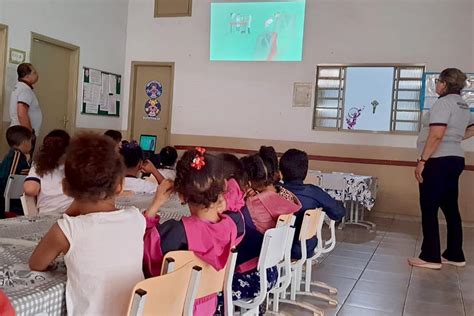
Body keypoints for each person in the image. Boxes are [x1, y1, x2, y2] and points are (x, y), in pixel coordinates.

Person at [29, 133, 145, 315]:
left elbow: (36, 263)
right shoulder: (136, 218)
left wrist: (70, 212)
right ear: (120, 186)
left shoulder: (67, 229)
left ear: (65, 187)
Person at [143, 147, 244, 315]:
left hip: (172, 307)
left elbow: (145, 257)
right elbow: (236, 201)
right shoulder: (234, 225)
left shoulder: (175, 232)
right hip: (207, 306)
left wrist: (155, 205)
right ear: (224, 186)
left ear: (181, 196)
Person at [409, 68, 474, 269]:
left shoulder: (443, 103)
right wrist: (456, 138)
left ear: (445, 84)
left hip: (437, 161)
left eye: (438, 81)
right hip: (455, 159)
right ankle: (455, 254)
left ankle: (430, 256)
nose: (436, 84)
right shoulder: (463, 105)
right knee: (450, 208)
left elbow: (436, 135)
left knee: (429, 207)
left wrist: (422, 161)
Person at [233, 154, 300, 303]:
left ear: (247, 182)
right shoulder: (282, 196)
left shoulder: (250, 207)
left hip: (251, 274)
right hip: (271, 269)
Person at [279, 149, 346, 259]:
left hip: (274, 249)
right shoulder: (314, 192)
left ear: (280, 171)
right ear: (305, 172)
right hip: (303, 249)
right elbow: (338, 213)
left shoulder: (274, 191)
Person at [23, 130, 73, 214]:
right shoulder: (75, 165)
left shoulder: (38, 166)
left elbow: (30, 190)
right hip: (72, 214)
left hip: (47, 214)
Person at [0, 126, 32, 218]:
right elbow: (11, 177)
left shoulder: (16, 154)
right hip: (9, 200)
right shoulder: (17, 155)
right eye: (30, 141)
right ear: (25, 142)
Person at [9, 63, 42, 146]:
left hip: (19, 132)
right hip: (23, 134)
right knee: (23, 158)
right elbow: (22, 113)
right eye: (34, 73)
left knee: (19, 157)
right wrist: (29, 134)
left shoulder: (20, 87)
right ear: (27, 76)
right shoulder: (25, 90)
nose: (37, 74)